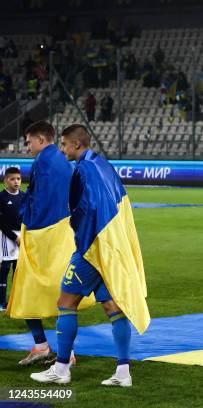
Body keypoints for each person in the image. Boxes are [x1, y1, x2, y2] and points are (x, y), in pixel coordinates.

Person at [31, 124, 150, 386]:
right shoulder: (102, 164)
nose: (61, 150)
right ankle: (123, 373)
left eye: (63, 145)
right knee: (112, 307)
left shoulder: (83, 170)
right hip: (112, 245)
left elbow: (88, 209)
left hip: (93, 247)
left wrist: (83, 244)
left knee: (65, 301)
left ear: (76, 144)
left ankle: (61, 369)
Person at [6, 121, 84, 366]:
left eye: (29, 141)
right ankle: (63, 351)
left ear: (41, 139)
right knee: (62, 294)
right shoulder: (63, 161)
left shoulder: (43, 161)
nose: (27, 146)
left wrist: (27, 220)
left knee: (28, 290)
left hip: (44, 236)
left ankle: (45, 347)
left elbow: (39, 202)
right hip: (63, 233)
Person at [0, 167, 25, 311]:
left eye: (18, 179)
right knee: (5, 269)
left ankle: (16, 301)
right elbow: (1, 222)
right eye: (12, 179)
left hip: (22, 235)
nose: (16, 182)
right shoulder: (1, 197)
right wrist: (15, 237)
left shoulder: (23, 196)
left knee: (19, 269)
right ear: (5, 181)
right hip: (7, 236)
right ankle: (2, 302)